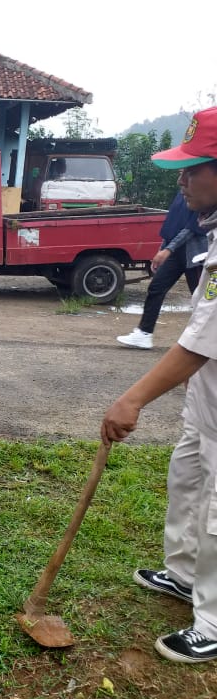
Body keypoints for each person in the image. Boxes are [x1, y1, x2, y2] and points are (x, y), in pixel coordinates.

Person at [101, 106, 217, 664]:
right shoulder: (210, 230)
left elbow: (199, 340)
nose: (182, 179)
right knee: (188, 478)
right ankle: (185, 575)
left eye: (192, 168)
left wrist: (132, 397)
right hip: (208, 399)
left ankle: (214, 618)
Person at [117, 192, 206, 350]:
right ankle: (144, 334)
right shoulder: (182, 194)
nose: (182, 177)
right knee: (156, 288)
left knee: (201, 298)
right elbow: (171, 226)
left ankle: (204, 339)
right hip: (175, 252)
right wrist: (162, 249)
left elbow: (191, 228)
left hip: (194, 253)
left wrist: (168, 250)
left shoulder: (202, 193)